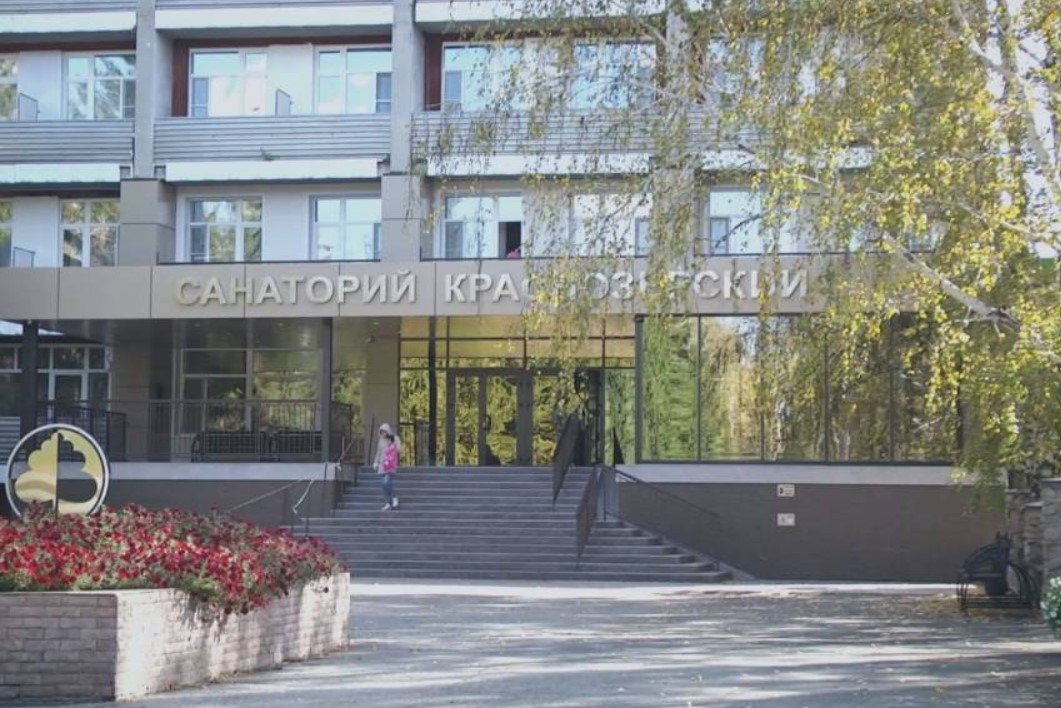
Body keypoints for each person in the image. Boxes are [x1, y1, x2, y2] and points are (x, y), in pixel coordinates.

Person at [375, 423, 400, 511]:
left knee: (386, 482)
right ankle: (388, 503)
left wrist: (392, 444)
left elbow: (398, 450)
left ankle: (394, 497)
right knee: (383, 485)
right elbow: (378, 452)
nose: (383, 434)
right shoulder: (381, 440)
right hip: (382, 465)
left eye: (384, 432)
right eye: (381, 432)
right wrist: (376, 462)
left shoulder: (395, 438)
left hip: (390, 465)